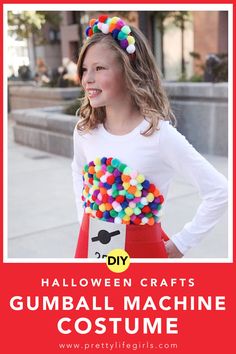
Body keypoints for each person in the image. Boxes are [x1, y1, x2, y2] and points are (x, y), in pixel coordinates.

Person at [71, 15, 228, 259]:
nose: (87, 78)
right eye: (84, 69)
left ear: (129, 70)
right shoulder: (85, 130)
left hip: (141, 256)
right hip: (92, 249)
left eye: (99, 68)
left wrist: (180, 244)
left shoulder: (158, 136)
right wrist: (84, 218)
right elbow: (79, 170)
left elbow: (219, 191)